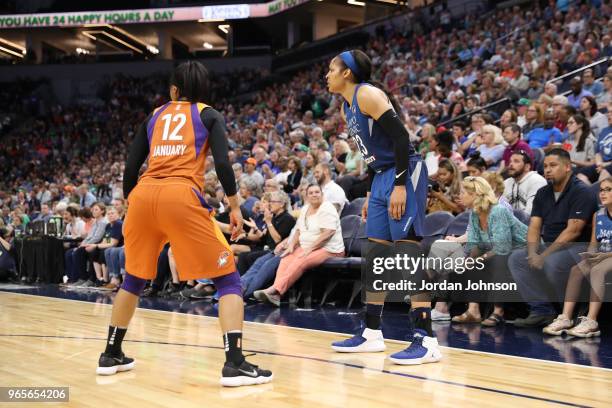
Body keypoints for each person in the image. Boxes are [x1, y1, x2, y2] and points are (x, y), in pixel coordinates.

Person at [96, 61, 272, 386]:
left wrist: (128, 200)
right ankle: (234, 362)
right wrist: (234, 207)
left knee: (133, 279)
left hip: (143, 195)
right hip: (181, 195)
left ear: (174, 89)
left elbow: (132, 164)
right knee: (229, 281)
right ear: (203, 90)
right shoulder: (208, 114)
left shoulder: (154, 115)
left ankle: (111, 353)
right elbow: (222, 163)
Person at [324, 49, 439, 365]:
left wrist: (400, 185)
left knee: (407, 255)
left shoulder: (369, 95)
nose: (326, 74)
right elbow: (377, 155)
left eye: (331, 69)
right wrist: (377, 190)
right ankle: (372, 332)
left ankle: (426, 338)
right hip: (383, 177)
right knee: (374, 257)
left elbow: (402, 140)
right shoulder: (348, 104)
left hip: (405, 173)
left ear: (347, 72)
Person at [508, 149, 598, 328]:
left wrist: (544, 255)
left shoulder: (582, 191)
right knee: (517, 258)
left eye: (553, 165)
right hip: (550, 245)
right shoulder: (543, 192)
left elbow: (573, 231)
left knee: (552, 262)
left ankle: (571, 312)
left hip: (579, 247)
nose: (547, 170)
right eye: (545, 166)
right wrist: (533, 252)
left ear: (567, 167)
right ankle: (542, 311)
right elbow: (534, 226)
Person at [451, 176, 527, 326]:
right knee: (472, 261)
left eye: (462, 193)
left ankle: (498, 312)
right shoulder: (474, 213)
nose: (459, 196)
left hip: (524, 248)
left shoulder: (497, 211)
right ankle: (473, 311)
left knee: (499, 260)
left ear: (474, 195)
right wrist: (470, 260)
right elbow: (475, 243)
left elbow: (502, 247)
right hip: (500, 249)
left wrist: (480, 258)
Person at [542, 177, 612, 338]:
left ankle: (591, 321)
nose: (603, 193)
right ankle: (566, 317)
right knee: (576, 270)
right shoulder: (598, 215)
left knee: (597, 270)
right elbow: (594, 242)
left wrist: (602, 256)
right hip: (602, 255)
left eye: (609, 189)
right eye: (601, 190)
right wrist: (590, 254)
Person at [253, 184, 344, 305]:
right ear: (306, 196)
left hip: (330, 249)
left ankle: (276, 290)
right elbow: (298, 230)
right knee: (286, 257)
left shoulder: (327, 208)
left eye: (317, 192)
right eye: (311, 193)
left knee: (301, 259)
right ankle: (276, 294)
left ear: (322, 194)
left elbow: (328, 233)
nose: (314, 195)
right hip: (308, 247)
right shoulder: (306, 208)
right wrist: (291, 245)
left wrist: (310, 248)